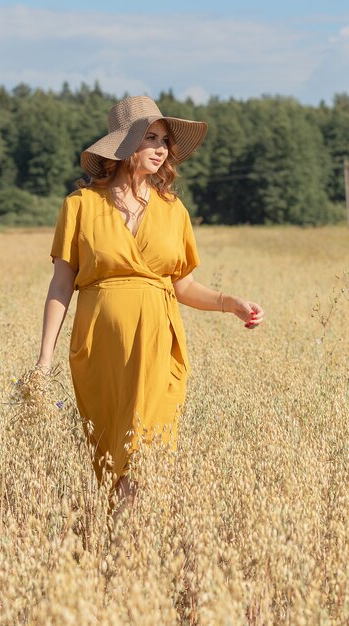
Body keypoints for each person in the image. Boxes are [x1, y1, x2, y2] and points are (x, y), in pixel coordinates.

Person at [36, 95, 264, 521]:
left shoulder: (174, 211)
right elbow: (62, 284)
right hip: (99, 348)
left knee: (148, 449)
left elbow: (184, 285)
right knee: (109, 454)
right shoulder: (80, 206)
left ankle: (129, 547)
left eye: (165, 141)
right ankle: (117, 545)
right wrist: (44, 360)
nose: (161, 149)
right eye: (150, 138)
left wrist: (229, 303)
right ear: (123, 146)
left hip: (158, 344)